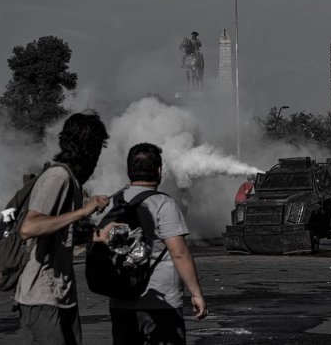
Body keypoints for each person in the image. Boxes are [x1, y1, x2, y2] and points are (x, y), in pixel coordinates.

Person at [93, 143, 208, 344]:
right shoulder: (164, 204)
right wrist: (196, 294)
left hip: (121, 301)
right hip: (161, 304)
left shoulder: (112, 203)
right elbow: (179, 253)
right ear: (159, 171)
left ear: (129, 170)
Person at [16, 111, 110, 345]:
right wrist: (83, 211)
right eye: (97, 150)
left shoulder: (71, 180)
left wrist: (98, 235)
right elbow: (29, 227)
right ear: (88, 149)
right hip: (42, 297)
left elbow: (61, 234)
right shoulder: (58, 177)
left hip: (60, 295)